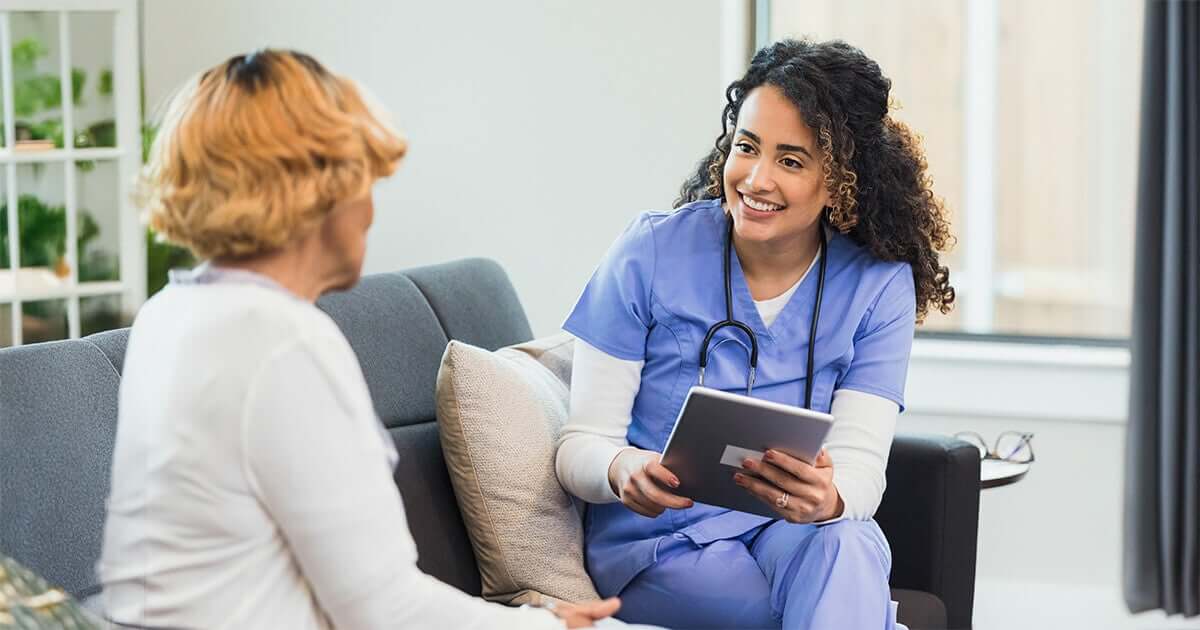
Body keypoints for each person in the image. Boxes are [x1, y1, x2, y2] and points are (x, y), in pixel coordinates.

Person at [98, 49, 619, 629]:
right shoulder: (283, 342)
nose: (371, 210)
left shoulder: (171, 313)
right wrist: (550, 625)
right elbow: (383, 610)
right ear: (316, 190)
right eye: (365, 179)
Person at [555, 39, 955, 629]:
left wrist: (829, 498)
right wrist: (620, 469)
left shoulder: (877, 285)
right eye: (747, 147)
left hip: (788, 532)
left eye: (791, 161)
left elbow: (861, 471)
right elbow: (579, 445)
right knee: (831, 605)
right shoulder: (650, 252)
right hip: (664, 543)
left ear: (843, 180)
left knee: (846, 544)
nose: (756, 179)